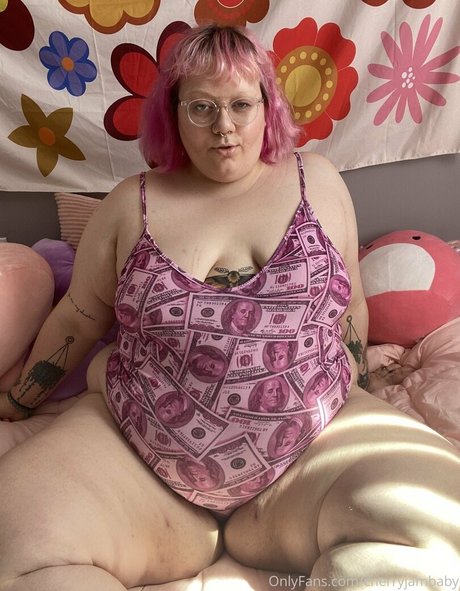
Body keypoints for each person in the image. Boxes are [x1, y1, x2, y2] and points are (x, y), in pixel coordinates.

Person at [0, 23, 458, 591]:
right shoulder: (127, 204)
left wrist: (360, 387)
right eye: (202, 108)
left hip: (312, 453)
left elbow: (349, 308)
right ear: (173, 114)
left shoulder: (317, 181)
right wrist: (17, 401)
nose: (224, 126)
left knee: (441, 522)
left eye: (241, 104)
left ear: (268, 107)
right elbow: (79, 317)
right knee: (13, 539)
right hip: (137, 459)